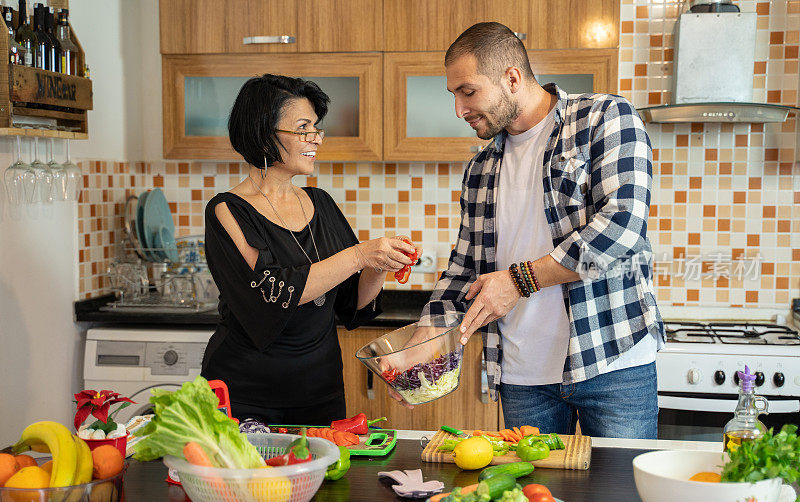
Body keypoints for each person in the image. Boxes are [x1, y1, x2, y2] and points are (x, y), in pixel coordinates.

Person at [410, 22, 665, 438]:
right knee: (536, 501)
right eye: (453, 95)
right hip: (523, 376)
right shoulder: (481, 168)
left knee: (623, 500)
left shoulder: (603, 117)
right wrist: (425, 339)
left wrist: (519, 280)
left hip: (611, 361)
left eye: (468, 92)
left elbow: (622, 227)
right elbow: (464, 266)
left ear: (512, 77)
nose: (459, 110)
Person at [202, 74, 419, 426]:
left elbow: (353, 305)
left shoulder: (321, 202)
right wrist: (359, 255)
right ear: (264, 133)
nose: (316, 139)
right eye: (303, 128)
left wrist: (378, 265)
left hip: (321, 392)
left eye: (316, 128)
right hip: (246, 394)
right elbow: (272, 292)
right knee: (245, 483)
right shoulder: (227, 210)